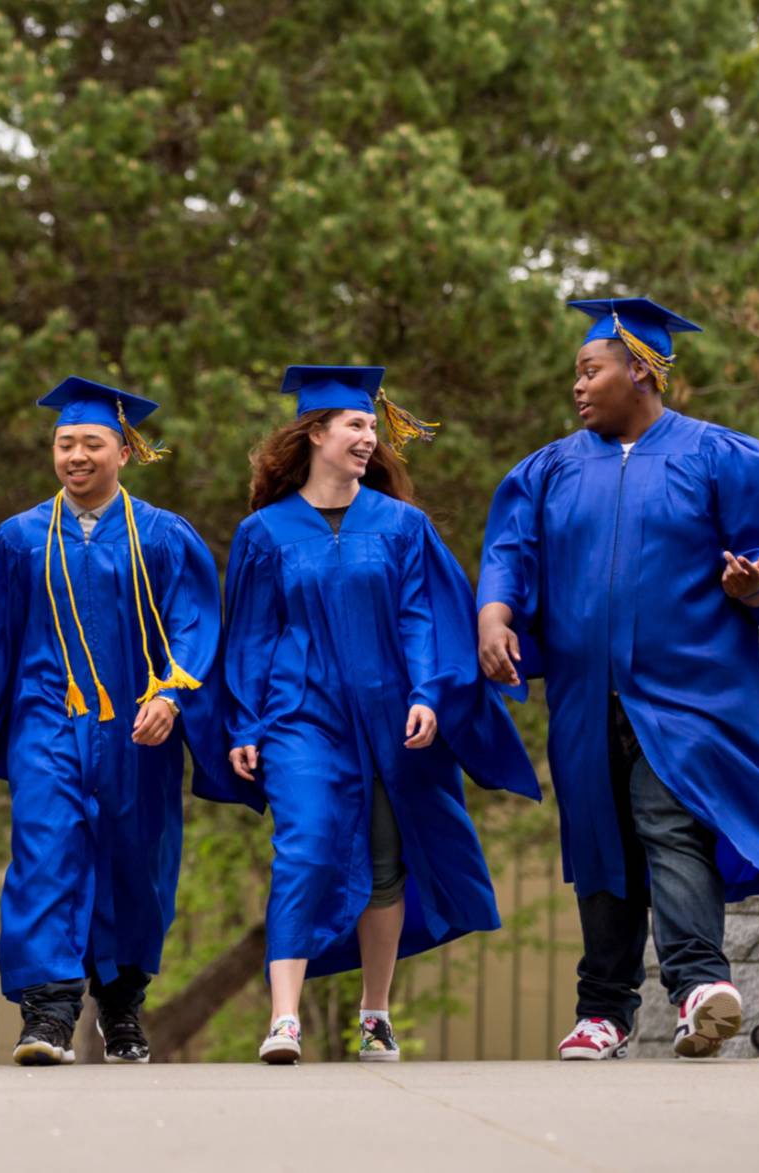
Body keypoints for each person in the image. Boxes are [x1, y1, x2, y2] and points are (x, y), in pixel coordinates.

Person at [477, 297, 759, 1060]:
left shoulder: (719, 459)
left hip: (690, 689)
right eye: (576, 372)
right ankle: (603, 1010)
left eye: (590, 370)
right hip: (582, 690)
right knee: (599, 841)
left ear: (641, 369)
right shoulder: (551, 470)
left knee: (670, 822)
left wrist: (758, 588)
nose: (577, 386)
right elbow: (510, 547)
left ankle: (699, 983)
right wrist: (495, 613)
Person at [209, 365, 540, 1064]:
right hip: (300, 713)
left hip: (392, 710)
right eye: (355, 425)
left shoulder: (401, 525)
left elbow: (424, 616)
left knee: (386, 861)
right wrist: (243, 724)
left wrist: (429, 693)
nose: (368, 437)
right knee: (305, 843)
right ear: (316, 434)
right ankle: (285, 1018)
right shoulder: (265, 533)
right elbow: (250, 637)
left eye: (370, 426)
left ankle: (375, 1012)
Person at [0, 377, 222, 1066]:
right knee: (46, 854)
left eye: (91, 443)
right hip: (47, 720)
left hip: (139, 727)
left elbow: (194, 625)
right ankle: (46, 1012)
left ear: (123, 452)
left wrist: (171, 694)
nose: (75, 455)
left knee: (134, 864)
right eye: (64, 442)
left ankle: (121, 1004)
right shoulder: (20, 539)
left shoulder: (165, 537)